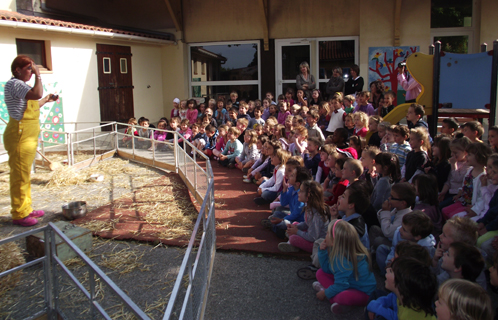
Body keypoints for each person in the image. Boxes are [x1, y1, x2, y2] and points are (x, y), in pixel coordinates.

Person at [4, 55, 58, 226]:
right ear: (17, 70)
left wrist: (46, 100)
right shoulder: (15, 84)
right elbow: (37, 93)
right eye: (29, 69)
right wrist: (39, 75)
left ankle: (26, 208)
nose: (31, 72)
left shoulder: (22, 86)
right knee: (19, 176)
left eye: (32, 68)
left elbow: (35, 100)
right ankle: (19, 214)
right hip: (20, 135)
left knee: (25, 174)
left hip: (27, 135)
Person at [313, 219, 376, 315]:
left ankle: (335, 299)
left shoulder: (342, 259)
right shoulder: (338, 252)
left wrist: (325, 293)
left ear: (334, 242)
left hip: (363, 292)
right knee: (320, 273)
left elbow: (342, 285)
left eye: (327, 233)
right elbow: (327, 269)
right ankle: (335, 298)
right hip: (348, 283)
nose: (325, 234)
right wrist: (322, 252)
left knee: (343, 297)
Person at [367, 257, 437, 320]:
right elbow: (390, 298)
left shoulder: (409, 315)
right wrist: (374, 305)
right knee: (376, 294)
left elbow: (395, 317)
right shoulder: (403, 295)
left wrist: (375, 307)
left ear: (400, 284)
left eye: (391, 271)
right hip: (397, 313)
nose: (387, 269)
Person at [442, 142, 491, 220]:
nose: (466, 156)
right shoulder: (470, 171)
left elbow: (482, 197)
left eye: (469, 155)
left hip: (471, 206)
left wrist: (475, 209)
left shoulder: (483, 177)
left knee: (453, 216)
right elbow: (465, 185)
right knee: (445, 211)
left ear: (479, 157)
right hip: (463, 201)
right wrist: (460, 193)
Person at [278, 180, 329, 253]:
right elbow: (306, 223)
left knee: (293, 238)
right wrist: (296, 227)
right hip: (311, 234)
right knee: (295, 224)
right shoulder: (309, 207)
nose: (298, 192)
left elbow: (312, 237)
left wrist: (297, 231)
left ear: (309, 195)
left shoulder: (317, 214)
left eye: (301, 191)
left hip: (317, 243)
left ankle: (292, 244)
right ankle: (293, 245)